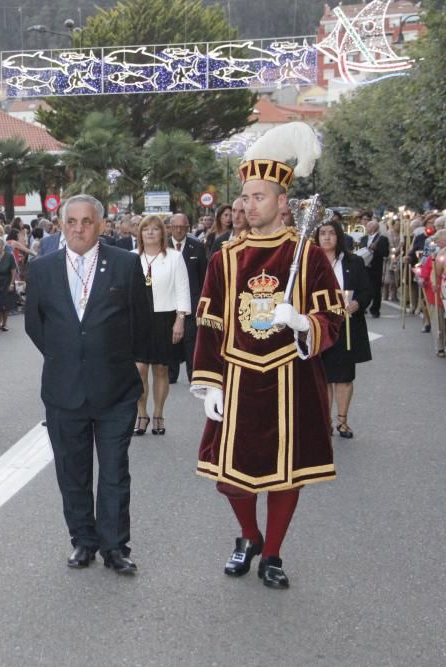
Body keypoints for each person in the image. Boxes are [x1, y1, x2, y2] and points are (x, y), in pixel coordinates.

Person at [191, 122, 344, 589]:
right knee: (229, 476)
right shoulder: (225, 257)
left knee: (285, 474)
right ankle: (249, 535)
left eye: (259, 197)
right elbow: (212, 323)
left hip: (290, 378)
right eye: (245, 197)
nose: (247, 205)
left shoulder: (309, 256)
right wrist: (208, 383)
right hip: (238, 377)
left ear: (283, 202)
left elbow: (333, 317)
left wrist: (302, 323)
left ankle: (272, 553)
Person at [25, 194, 151, 573]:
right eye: (72, 222)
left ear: (100, 225)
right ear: (62, 225)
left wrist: (107, 355)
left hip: (115, 389)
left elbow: (140, 323)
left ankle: (115, 547)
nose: (78, 228)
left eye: (86, 221)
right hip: (64, 390)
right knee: (72, 472)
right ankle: (82, 540)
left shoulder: (126, 265)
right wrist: (68, 356)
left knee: (114, 472)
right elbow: (36, 325)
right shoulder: (43, 269)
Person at [132, 215, 190, 435]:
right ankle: (141, 414)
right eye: (145, 229)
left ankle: (157, 413)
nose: (150, 232)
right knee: (139, 370)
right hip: (138, 319)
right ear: (140, 233)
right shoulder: (130, 258)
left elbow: (182, 289)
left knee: (160, 369)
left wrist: (180, 319)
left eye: (155, 229)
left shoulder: (174, 258)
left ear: (162, 233)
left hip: (165, 318)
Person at [315, 219, 372, 439]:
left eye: (331, 233)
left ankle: (342, 421)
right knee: (325, 376)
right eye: (322, 233)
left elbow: (366, 290)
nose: (327, 237)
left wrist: (357, 303)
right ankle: (325, 421)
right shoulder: (310, 262)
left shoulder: (353, 262)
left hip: (347, 325)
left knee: (345, 376)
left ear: (339, 237)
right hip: (321, 324)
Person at [167, 213, 208, 384]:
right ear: (169, 228)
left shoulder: (196, 247)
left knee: (191, 341)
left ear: (188, 228)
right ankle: (171, 374)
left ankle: (193, 376)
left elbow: (204, 276)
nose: (178, 230)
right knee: (170, 341)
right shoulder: (162, 246)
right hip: (168, 302)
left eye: (182, 227)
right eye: (175, 227)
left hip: (191, 302)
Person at [360, 220, 390, 318]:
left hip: (375, 267)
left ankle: (375, 309)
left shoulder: (382, 239)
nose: (366, 228)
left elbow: (385, 253)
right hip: (364, 267)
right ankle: (362, 307)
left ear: (373, 228)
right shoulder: (363, 238)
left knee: (376, 289)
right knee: (363, 287)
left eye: (368, 226)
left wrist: (375, 249)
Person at [0, 236, 18, 331]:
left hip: (6, 283)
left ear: (3, 246)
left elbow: (13, 271)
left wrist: (12, 283)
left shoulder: (9, 256)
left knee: (5, 306)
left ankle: (4, 323)